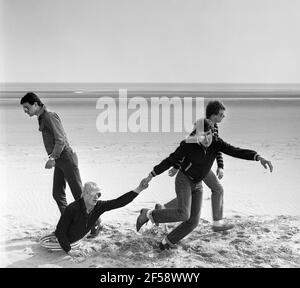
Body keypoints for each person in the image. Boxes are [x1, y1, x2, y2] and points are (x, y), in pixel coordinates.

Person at [136, 118, 273, 250]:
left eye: (209, 134)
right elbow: (170, 160)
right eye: (202, 135)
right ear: (196, 135)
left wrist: (258, 157)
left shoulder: (217, 143)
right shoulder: (188, 145)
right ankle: (148, 214)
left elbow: (235, 151)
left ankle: (167, 242)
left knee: (193, 222)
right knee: (184, 214)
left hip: (198, 184)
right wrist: (151, 175)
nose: (206, 139)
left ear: (212, 132)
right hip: (184, 180)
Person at [20, 92, 101, 237]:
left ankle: (96, 223)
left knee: (80, 196)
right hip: (59, 161)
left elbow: (60, 140)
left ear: (36, 104)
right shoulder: (42, 118)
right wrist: (54, 159)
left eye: (27, 107)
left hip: (67, 159)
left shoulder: (50, 116)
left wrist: (52, 158)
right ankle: (69, 223)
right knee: (57, 194)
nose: (25, 111)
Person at [155, 100, 230, 231]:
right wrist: (176, 166)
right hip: (196, 167)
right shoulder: (201, 127)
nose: (224, 117)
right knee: (218, 189)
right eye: (221, 114)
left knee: (191, 196)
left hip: (203, 167)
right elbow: (186, 146)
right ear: (213, 115)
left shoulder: (214, 128)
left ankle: (163, 208)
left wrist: (220, 165)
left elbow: (217, 148)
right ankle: (217, 223)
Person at [42, 178, 149, 257]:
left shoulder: (98, 206)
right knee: (57, 234)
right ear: (85, 194)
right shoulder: (72, 209)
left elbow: (118, 202)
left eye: (98, 194)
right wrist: (69, 251)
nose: (96, 197)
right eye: (93, 194)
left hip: (76, 240)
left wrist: (139, 189)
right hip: (64, 241)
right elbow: (61, 231)